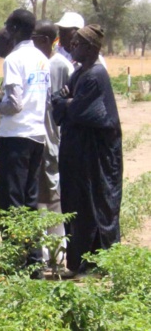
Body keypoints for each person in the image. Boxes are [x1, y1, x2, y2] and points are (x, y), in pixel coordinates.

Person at [0, 9, 51, 270]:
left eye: (8, 26)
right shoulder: (42, 58)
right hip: (36, 136)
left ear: (17, 28)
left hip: (16, 136)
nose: (4, 31)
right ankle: (33, 259)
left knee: (11, 201)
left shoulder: (14, 59)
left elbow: (15, 104)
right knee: (30, 200)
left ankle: (14, 261)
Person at [52, 25, 123, 276]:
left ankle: (100, 263)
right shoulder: (78, 73)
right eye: (72, 44)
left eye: (78, 44)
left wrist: (67, 103)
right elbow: (59, 109)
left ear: (91, 48)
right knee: (77, 205)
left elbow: (84, 112)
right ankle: (80, 261)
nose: (72, 47)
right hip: (77, 154)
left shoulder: (95, 75)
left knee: (98, 204)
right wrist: (66, 103)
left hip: (97, 157)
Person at [32, 19, 75, 262]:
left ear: (46, 41)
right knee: (40, 196)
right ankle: (45, 250)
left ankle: (57, 251)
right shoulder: (40, 62)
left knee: (52, 196)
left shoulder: (58, 65)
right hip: (40, 136)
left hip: (52, 138)